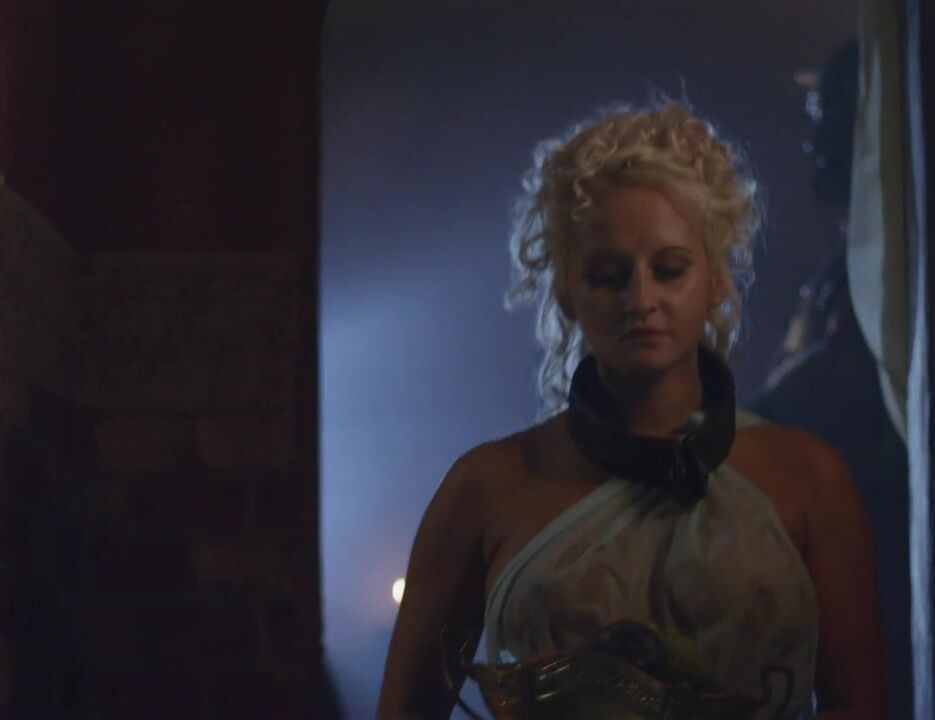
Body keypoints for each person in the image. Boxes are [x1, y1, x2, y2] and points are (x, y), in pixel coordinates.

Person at [377, 101, 887, 719]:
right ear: (566, 289)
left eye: (669, 269)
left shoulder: (809, 482)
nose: (641, 299)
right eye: (608, 275)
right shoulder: (485, 489)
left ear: (716, 278)